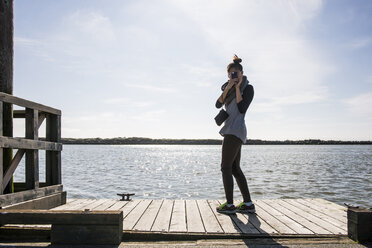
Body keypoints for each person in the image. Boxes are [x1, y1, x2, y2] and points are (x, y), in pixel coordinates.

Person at [215, 55, 255, 214]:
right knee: (234, 168)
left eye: (236, 73)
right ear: (228, 75)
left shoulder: (248, 88)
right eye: (231, 73)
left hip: (235, 130)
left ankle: (230, 205)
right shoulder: (227, 88)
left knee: (225, 167)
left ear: (242, 73)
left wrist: (238, 88)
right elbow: (218, 103)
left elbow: (241, 109)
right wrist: (229, 87)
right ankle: (248, 204)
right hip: (230, 129)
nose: (234, 76)